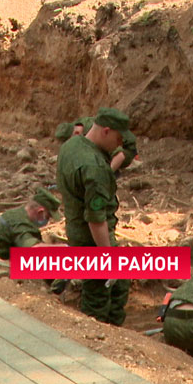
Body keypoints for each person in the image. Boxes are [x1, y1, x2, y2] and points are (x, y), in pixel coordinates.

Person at [57, 107, 130, 325]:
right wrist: (107, 259)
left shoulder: (71, 146)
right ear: (105, 131)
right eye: (117, 138)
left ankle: (115, 333)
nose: (119, 145)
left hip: (77, 230)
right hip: (92, 240)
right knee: (97, 296)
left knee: (120, 284)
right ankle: (97, 339)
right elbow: (96, 219)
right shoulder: (94, 167)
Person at [0, 188, 64, 259]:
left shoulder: (18, 214)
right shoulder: (21, 224)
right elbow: (33, 250)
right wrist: (65, 248)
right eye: (47, 216)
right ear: (40, 212)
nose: (47, 221)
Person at [56, 116, 138, 173]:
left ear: (76, 133)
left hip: (127, 149)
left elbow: (120, 156)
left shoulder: (94, 133)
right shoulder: (80, 124)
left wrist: (106, 175)